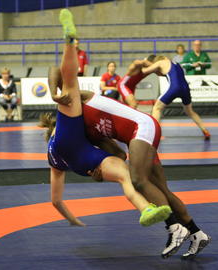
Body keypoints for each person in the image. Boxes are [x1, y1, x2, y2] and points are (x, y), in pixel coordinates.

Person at [50, 66, 211, 258]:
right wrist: (98, 172)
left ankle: (174, 227)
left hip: (142, 125)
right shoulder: (90, 136)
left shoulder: (77, 98)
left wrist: (53, 93)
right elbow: (119, 155)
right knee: (160, 189)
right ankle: (196, 233)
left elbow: (55, 69)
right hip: (138, 136)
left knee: (138, 181)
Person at [45, 9, 171, 229]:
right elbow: (54, 69)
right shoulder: (71, 131)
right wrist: (54, 93)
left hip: (84, 164)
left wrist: (72, 219)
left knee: (125, 174)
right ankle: (69, 42)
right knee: (71, 83)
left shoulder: (54, 159)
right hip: (88, 156)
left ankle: (147, 210)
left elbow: (56, 200)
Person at [142, 55, 211, 140]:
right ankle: (205, 130)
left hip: (175, 88)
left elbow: (144, 71)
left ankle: (156, 133)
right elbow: (164, 74)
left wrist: (142, 64)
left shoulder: (160, 62)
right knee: (190, 111)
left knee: (157, 108)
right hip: (185, 88)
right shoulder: (176, 64)